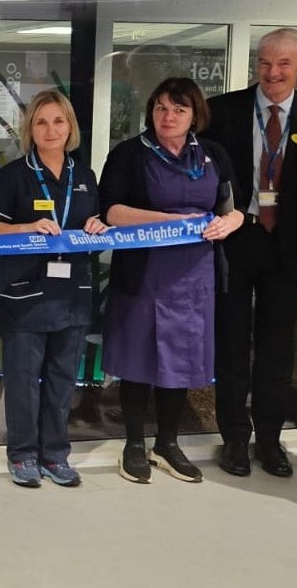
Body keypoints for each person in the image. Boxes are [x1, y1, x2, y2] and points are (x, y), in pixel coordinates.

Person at [201, 28, 297, 478]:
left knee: (278, 351)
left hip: (288, 249)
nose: (272, 72)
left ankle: (271, 440)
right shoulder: (222, 111)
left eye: (282, 64)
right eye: (264, 62)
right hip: (236, 240)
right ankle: (235, 439)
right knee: (232, 344)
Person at [98, 76, 243, 485]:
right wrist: (170, 223)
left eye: (179, 109)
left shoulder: (213, 154)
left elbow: (231, 207)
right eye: (161, 108)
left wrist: (229, 223)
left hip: (194, 278)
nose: (168, 116)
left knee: (180, 360)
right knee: (138, 360)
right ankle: (133, 445)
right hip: (144, 274)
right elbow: (110, 210)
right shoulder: (129, 154)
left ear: (195, 115)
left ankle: (167, 442)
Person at [0, 90, 107, 488]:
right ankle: (22, 455)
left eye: (58, 121)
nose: (50, 130)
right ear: (30, 129)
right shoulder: (13, 175)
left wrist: (99, 228)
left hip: (72, 295)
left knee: (61, 382)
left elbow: (98, 230)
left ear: (70, 127)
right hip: (25, 296)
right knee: (22, 380)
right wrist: (26, 227)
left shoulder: (84, 177)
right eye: (41, 122)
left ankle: (56, 455)